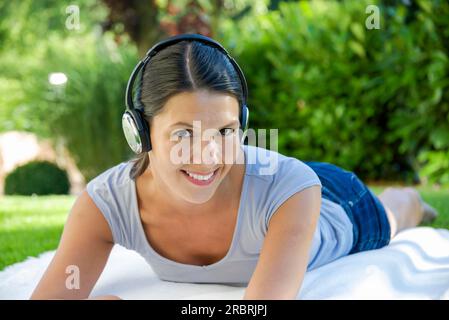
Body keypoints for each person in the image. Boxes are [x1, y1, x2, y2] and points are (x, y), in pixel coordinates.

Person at [30, 34, 438, 300]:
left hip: (332, 202)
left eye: (224, 131)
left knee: (393, 213)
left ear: (242, 127)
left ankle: (413, 203)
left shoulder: (293, 190)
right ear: (141, 133)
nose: (208, 155)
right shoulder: (104, 204)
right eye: (183, 134)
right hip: (275, 184)